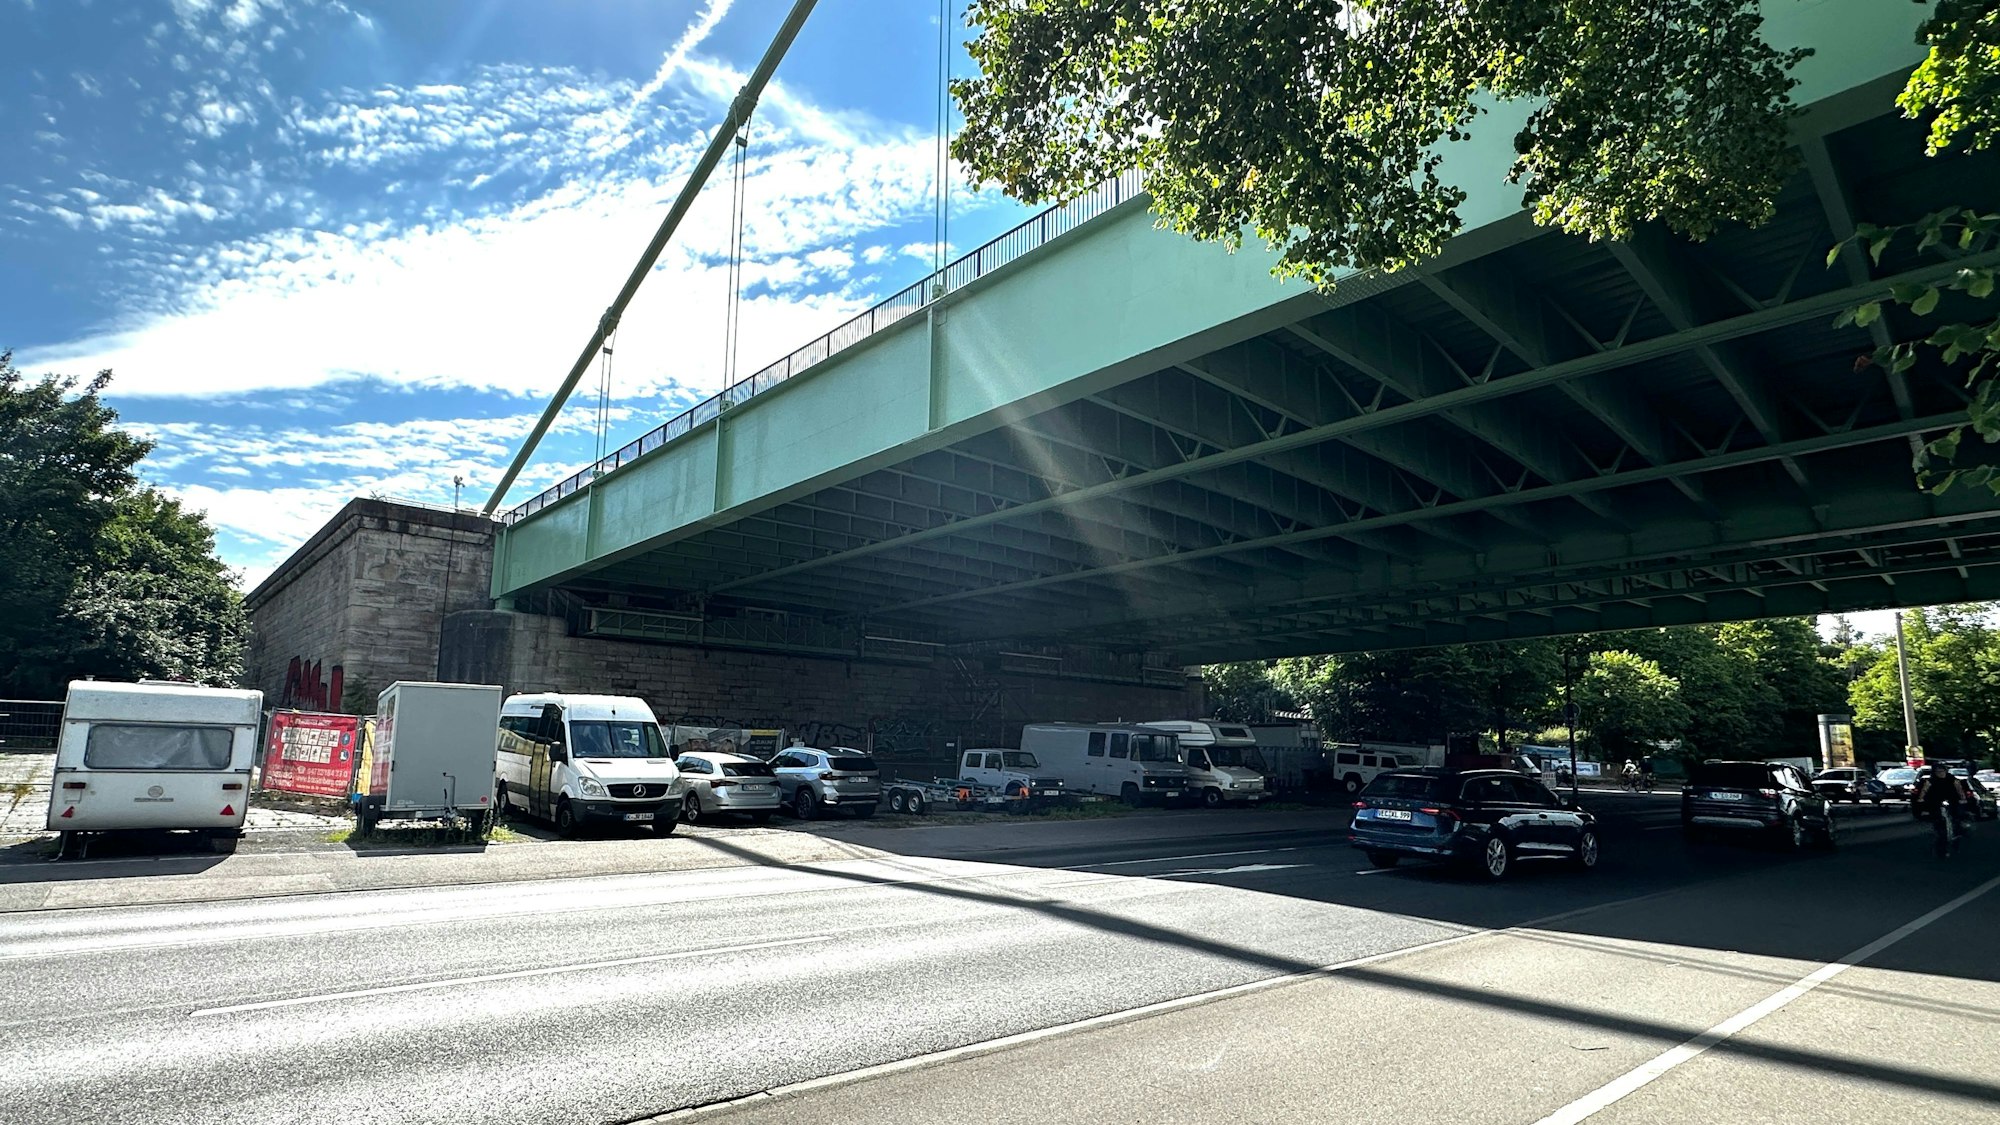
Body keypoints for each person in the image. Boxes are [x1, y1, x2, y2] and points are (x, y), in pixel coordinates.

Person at [1914, 762, 1974, 858]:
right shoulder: (1931, 781)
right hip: (1936, 803)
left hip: (1952, 801)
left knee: (1957, 815)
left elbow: (1959, 790)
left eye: (1942, 771)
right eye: (1938, 772)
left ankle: (1959, 828)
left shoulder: (1952, 779)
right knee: (1938, 823)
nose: (1940, 773)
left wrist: (1963, 799)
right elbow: (1924, 790)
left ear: (1946, 771)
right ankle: (1941, 845)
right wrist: (1921, 799)